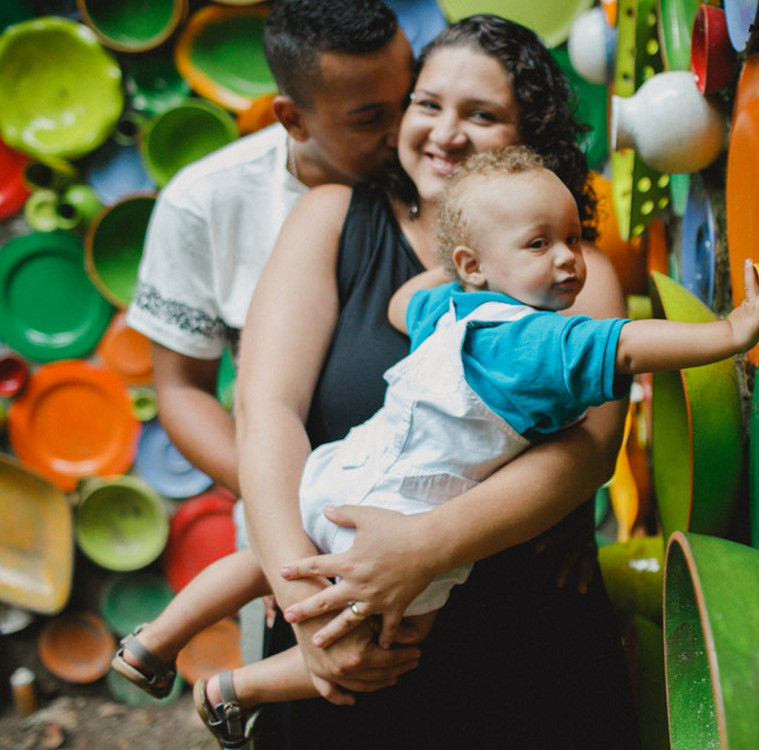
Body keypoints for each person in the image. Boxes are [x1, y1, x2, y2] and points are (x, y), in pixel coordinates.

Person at [111, 147, 759, 748]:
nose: (568, 259)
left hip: (339, 475)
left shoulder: (449, 311)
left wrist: (462, 272)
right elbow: (630, 345)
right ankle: (238, 689)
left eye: (571, 238)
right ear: (475, 263)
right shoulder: (544, 344)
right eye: (539, 244)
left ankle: (155, 641)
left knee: (265, 564)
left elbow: (400, 304)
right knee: (385, 645)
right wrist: (730, 334)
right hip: (400, 515)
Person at [234, 14, 658, 749]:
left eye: (482, 116)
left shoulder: (572, 271)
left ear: (529, 140)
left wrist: (423, 548)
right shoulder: (333, 219)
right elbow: (267, 408)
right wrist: (300, 594)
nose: (446, 134)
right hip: (336, 620)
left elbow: (589, 451)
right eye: (428, 104)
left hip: (518, 641)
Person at [123, 0, 413, 660]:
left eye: (411, 98)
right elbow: (181, 390)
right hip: (285, 540)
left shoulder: (446, 171)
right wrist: (288, 513)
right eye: (370, 117)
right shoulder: (205, 204)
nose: (405, 133)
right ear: (292, 118)